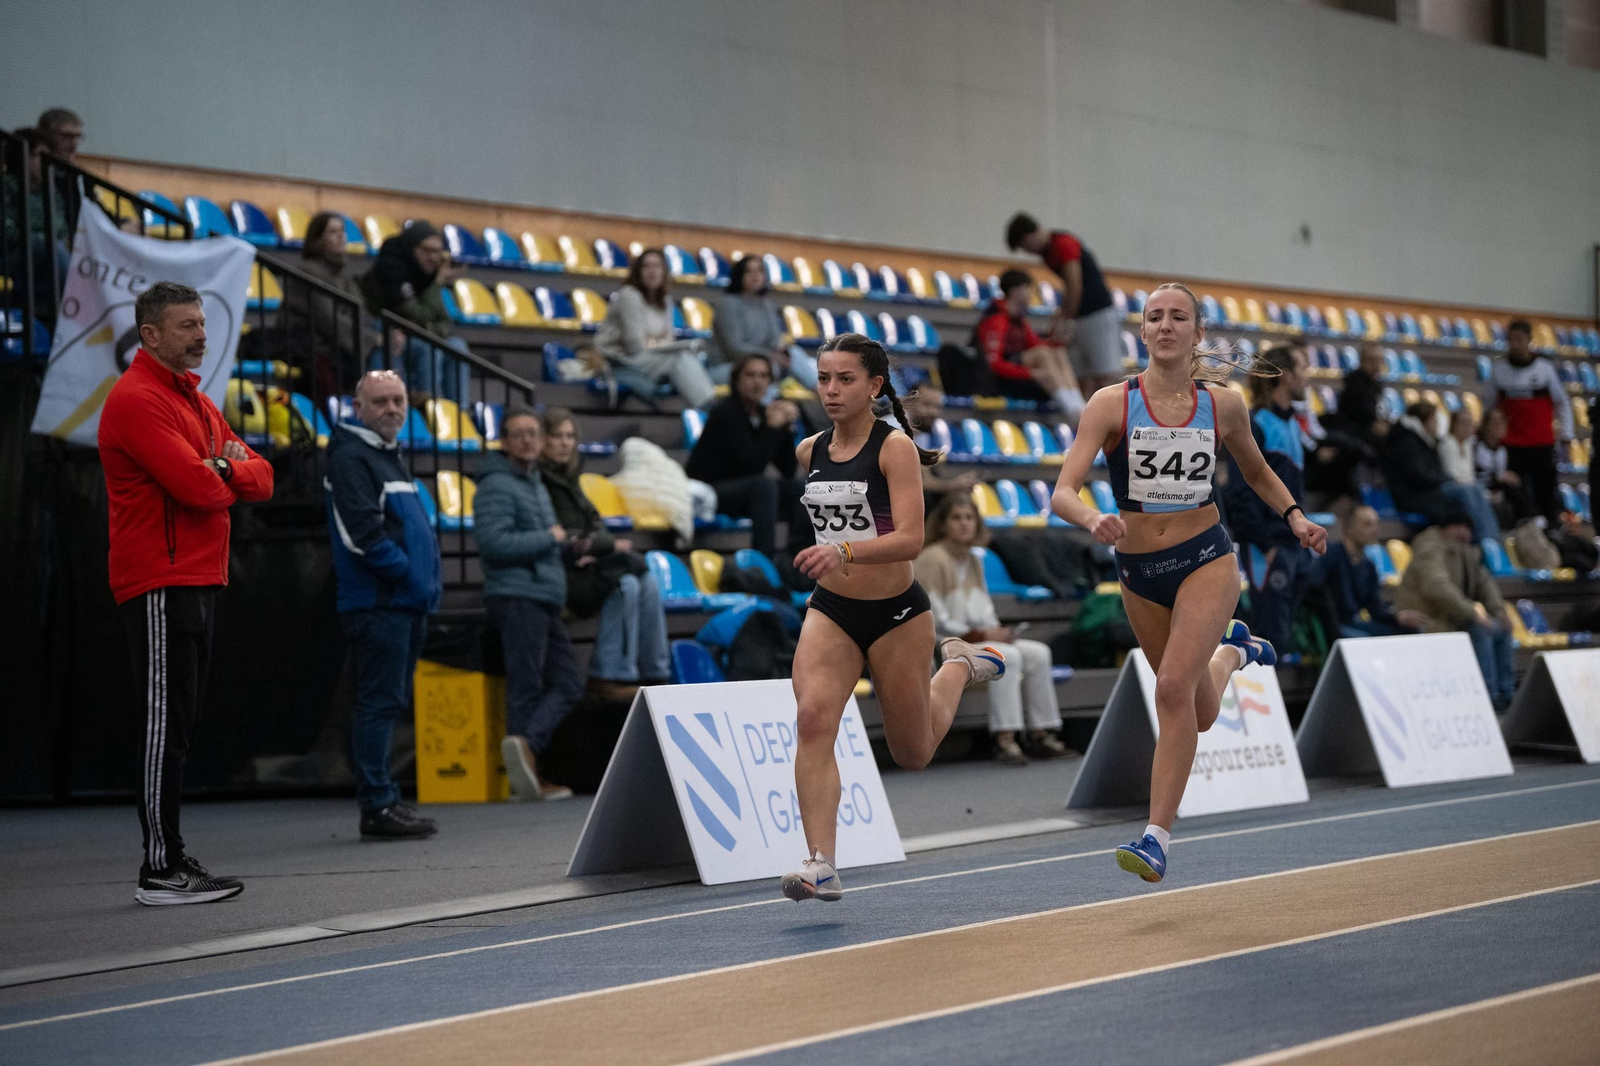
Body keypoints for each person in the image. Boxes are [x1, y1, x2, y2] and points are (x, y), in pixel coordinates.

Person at [1051, 283, 1326, 884]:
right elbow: (1061, 491)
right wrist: (1092, 516)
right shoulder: (1110, 403)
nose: (1167, 326)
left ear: (1198, 333)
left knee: (1172, 689)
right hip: (1138, 572)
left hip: (1206, 558)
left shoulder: (1224, 404)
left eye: (1180, 317)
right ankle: (1233, 651)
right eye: (1155, 317)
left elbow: (1256, 471)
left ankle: (1156, 838)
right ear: (1142, 332)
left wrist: (1296, 517)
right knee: (1198, 711)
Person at [780, 333, 1004, 903]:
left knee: (914, 752)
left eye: (845, 379)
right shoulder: (810, 450)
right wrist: (832, 560)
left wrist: (844, 551)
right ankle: (821, 863)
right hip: (832, 609)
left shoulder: (893, 448)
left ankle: (957, 667)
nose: (830, 390)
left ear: (874, 386)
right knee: (811, 718)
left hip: (896, 613)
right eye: (824, 378)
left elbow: (909, 538)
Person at [99, 282, 275, 903]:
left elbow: (264, 477)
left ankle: (169, 859)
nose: (203, 334)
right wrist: (226, 470)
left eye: (202, 322)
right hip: (159, 581)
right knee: (162, 730)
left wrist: (224, 467)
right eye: (187, 326)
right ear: (150, 336)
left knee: (180, 727)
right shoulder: (137, 401)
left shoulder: (194, 401)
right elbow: (198, 490)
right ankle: (159, 869)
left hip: (197, 577)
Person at [324, 370, 441, 839]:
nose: (392, 409)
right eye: (381, 402)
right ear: (358, 407)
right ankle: (376, 805)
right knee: (378, 704)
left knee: (387, 703)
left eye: (398, 400)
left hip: (402, 602)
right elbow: (363, 538)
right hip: (380, 603)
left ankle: (385, 798)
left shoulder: (385, 455)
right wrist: (413, 578)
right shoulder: (352, 457)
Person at [475, 409, 583, 801]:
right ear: (503, 441)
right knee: (525, 687)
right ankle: (523, 778)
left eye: (533, 434)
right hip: (517, 595)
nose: (527, 441)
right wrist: (549, 538)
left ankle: (526, 751)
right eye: (518, 435)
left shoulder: (533, 480)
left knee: (569, 684)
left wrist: (567, 548)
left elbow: (544, 538)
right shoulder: (496, 485)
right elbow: (494, 543)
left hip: (542, 594)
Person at [915, 494, 1069, 764]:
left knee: (1039, 653)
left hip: (977, 637)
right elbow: (936, 618)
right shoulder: (931, 559)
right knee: (1006, 657)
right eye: (956, 518)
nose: (964, 524)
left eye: (969, 518)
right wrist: (985, 636)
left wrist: (997, 631)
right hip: (949, 643)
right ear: (942, 525)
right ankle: (1005, 740)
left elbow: (984, 608)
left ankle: (1040, 733)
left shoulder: (974, 560)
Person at [538, 407, 670, 697]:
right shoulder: (538, 481)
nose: (564, 443)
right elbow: (559, 534)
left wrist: (596, 544)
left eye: (570, 436)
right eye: (557, 436)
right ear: (542, 440)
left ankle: (655, 672)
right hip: (558, 569)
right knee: (626, 584)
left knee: (646, 580)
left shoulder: (570, 479)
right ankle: (608, 674)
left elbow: (596, 526)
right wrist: (601, 544)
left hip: (584, 563)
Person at [1221, 343, 1316, 656]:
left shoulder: (1291, 425)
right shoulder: (1256, 425)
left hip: (1293, 546)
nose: (1307, 378)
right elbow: (1239, 494)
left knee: (1285, 639)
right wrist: (1266, 545)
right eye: (1302, 370)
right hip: (1268, 548)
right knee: (1267, 638)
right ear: (1285, 376)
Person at [685, 354, 806, 558]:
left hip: (746, 490)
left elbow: (788, 471)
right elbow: (751, 464)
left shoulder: (762, 413)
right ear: (737, 380)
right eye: (750, 375)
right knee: (763, 485)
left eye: (763, 376)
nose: (757, 381)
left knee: (801, 489)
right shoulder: (726, 412)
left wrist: (785, 428)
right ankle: (763, 562)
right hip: (710, 490)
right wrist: (772, 428)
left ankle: (800, 562)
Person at [1393, 513, 1516, 711]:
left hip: (1451, 618)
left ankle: (1506, 694)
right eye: (1457, 526)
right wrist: (1472, 613)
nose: (1463, 533)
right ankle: (1488, 696)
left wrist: (1499, 611)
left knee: (1501, 627)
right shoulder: (1429, 549)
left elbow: (1485, 584)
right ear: (1444, 528)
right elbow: (1437, 587)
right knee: (1480, 629)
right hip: (1429, 620)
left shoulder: (1466, 552)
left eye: (1466, 527)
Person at [1004, 212, 1122, 399]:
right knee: (1080, 378)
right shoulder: (1048, 254)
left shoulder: (1063, 244)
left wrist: (1064, 321)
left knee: (1105, 376)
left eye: (1026, 246)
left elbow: (1074, 286)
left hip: (1096, 314)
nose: (1028, 252)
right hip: (1081, 316)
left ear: (1032, 234)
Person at [360, 220, 470, 402]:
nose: (433, 258)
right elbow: (416, 314)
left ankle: (459, 414)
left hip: (414, 334)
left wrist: (428, 326)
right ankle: (428, 406)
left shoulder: (427, 274)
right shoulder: (392, 268)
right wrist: (436, 283)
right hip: (386, 332)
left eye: (437, 252)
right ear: (411, 248)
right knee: (429, 347)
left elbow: (443, 321)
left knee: (458, 346)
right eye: (426, 250)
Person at [594, 248, 715, 407]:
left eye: (657, 266)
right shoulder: (629, 295)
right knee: (679, 359)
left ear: (664, 271)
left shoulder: (665, 300)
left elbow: (668, 338)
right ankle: (709, 409)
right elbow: (634, 345)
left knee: (685, 356)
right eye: (646, 266)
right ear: (638, 271)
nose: (652, 271)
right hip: (621, 359)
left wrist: (651, 342)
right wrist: (656, 342)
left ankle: (709, 408)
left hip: (649, 358)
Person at [971, 268, 1086, 423]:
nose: (1030, 294)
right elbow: (994, 365)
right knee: (1042, 354)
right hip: (995, 380)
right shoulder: (996, 319)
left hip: (1014, 372)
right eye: (1027, 289)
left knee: (1057, 351)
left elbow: (1036, 344)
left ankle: (1079, 405)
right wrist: (1032, 374)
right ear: (1015, 291)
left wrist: (1057, 341)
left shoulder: (1019, 320)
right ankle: (1073, 413)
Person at [1382, 401, 1500, 543]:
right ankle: (1485, 541)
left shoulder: (1423, 440)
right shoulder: (1407, 442)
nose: (1437, 424)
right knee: (1466, 491)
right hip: (1415, 495)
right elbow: (1419, 475)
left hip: (1429, 490)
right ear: (1424, 421)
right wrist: (1446, 479)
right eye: (1434, 420)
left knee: (1476, 489)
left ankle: (1493, 540)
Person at [1491, 320, 1572, 526]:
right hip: (1512, 445)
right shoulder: (1499, 370)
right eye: (1511, 339)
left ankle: (1552, 532)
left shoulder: (1544, 369)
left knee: (1546, 494)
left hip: (1540, 444)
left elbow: (1562, 403)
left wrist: (1567, 436)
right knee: (1514, 495)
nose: (1515, 344)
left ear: (1529, 340)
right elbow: (1489, 405)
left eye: (1519, 339)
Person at [287, 211, 374, 400]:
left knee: (390, 344)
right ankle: (373, 403)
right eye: (333, 232)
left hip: (339, 344)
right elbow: (327, 319)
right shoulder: (309, 271)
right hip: (315, 343)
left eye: (342, 231)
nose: (342, 236)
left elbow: (361, 313)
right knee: (378, 350)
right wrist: (372, 340)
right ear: (318, 240)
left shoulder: (344, 275)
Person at [1312, 506, 1428, 638]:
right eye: (1368, 524)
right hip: (1330, 626)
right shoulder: (1331, 555)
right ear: (1349, 528)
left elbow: (1375, 608)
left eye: (1376, 523)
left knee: (1410, 632)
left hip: (1354, 624)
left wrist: (1397, 617)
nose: (1375, 530)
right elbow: (1314, 590)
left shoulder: (1368, 565)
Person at [712, 255, 818, 390]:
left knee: (794, 353)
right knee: (765, 369)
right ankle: (764, 410)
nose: (755, 275)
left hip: (764, 361)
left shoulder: (766, 304)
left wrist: (782, 352)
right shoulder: (727, 304)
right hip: (729, 366)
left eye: (759, 271)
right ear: (739, 275)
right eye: (749, 271)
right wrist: (769, 356)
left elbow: (774, 340)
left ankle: (827, 395)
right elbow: (734, 348)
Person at [1474, 406, 1537, 526]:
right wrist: (1498, 477)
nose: (1498, 426)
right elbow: (1474, 475)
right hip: (1480, 489)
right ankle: (1529, 520)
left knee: (1517, 483)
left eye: (1501, 422)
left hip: (1497, 489)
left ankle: (1530, 519)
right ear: (1485, 425)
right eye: (1494, 422)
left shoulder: (1504, 450)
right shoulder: (1476, 446)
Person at [1439, 408, 1478, 485]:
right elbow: (1452, 474)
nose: (1467, 427)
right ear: (1454, 424)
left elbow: (1471, 474)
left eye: (1470, 423)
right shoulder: (1447, 443)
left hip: (1467, 486)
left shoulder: (1467, 445)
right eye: (1464, 422)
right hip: (1452, 486)